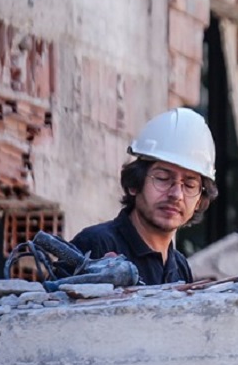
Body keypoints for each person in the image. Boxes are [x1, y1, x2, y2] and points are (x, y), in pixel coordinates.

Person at [71, 108, 219, 285]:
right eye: (163, 179)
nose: (176, 195)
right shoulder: (96, 245)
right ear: (135, 184)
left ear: (199, 201)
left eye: (189, 185)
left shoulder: (179, 267)